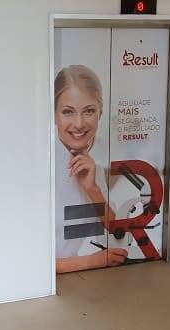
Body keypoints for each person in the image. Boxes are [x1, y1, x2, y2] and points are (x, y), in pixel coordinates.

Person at [53, 64, 128, 273]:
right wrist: (92, 261)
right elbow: (29, 262)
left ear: (100, 113)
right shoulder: (41, 167)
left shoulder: (91, 167)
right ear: (54, 114)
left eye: (89, 111)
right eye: (68, 112)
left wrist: (92, 189)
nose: (79, 124)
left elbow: (116, 231)